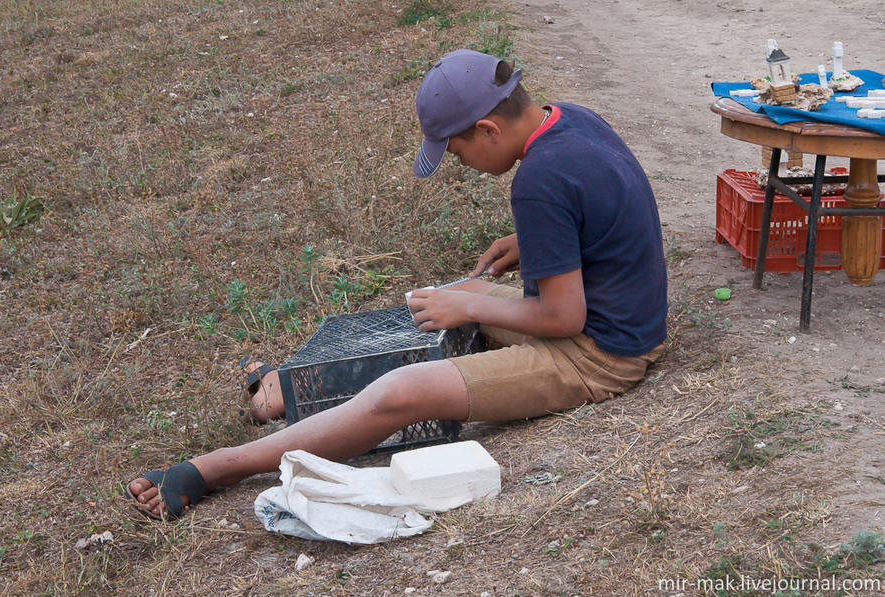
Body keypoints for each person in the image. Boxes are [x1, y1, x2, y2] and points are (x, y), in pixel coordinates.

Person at [126, 49, 667, 519]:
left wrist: (464, 306)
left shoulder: (539, 180)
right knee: (452, 301)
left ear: (489, 129)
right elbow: (601, 203)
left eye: (456, 152)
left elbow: (562, 319)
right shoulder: (570, 121)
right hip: (614, 321)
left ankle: (215, 469)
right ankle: (299, 389)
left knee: (404, 389)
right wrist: (531, 244)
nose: (461, 164)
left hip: (599, 354)